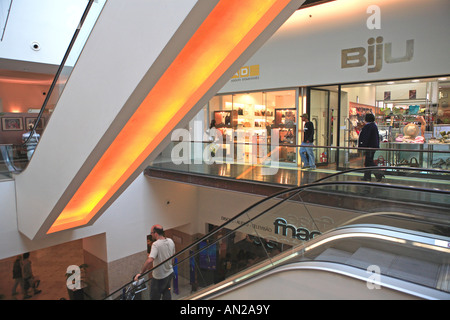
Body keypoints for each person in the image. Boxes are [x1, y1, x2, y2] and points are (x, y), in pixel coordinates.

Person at [135, 225, 175, 300]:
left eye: (151, 233)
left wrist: (141, 273)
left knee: (154, 296)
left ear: (155, 233)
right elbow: (173, 257)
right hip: (169, 273)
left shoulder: (156, 244)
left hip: (159, 277)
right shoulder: (170, 241)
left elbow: (150, 260)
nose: (151, 234)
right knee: (167, 292)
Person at [358, 113, 383, 182]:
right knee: (368, 162)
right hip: (373, 146)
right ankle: (367, 176)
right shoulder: (373, 126)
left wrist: (362, 145)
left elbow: (366, 137)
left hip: (369, 147)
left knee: (369, 161)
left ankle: (378, 173)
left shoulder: (368, 127)